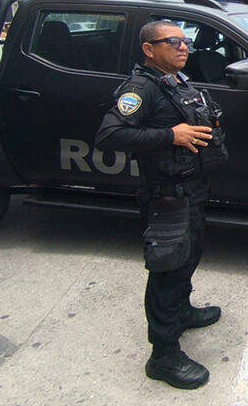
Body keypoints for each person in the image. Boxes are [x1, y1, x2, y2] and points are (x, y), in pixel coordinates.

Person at [95, 21, 227, 390]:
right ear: (149, 50)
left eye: (185, 41)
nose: (183, 47)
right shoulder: (141, 89)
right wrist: (171, 135)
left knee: (188, 257)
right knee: (167, 270)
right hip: (165, 195)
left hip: (190, 190)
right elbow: (109, 134)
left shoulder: (177, 81)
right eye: (173, 42)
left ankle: (182, 312)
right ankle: (164, 356)